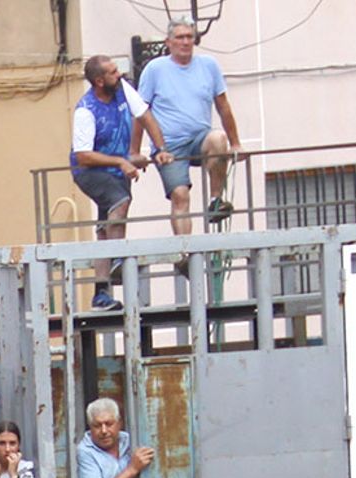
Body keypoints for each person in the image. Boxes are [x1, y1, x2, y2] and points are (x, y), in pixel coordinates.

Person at [72, 56, 172, 310]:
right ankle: (118, 256)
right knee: (120, 200)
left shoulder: (122, 90)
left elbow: (145, 116)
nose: (119, 74)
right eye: (113, 72)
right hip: (89, 171)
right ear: (99, 81)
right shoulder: (86, 110)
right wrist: (121, 161)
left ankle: (101, 293)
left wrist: (159, 148)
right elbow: (83, 155)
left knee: (105, 228)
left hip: (117, 169)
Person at [134, 19, 244, 235]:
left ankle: (215, 200)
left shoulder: (209, 65)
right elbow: (140, 112)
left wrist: (236, 143)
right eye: (179, 37)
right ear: (168, 42)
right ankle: (185, 252)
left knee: (218, 139)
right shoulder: (155, 69)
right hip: (168, 146)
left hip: (199, 139)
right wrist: (134, 152)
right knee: (180, 195)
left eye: (189, 37)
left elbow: (223, 105)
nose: (185, 42)